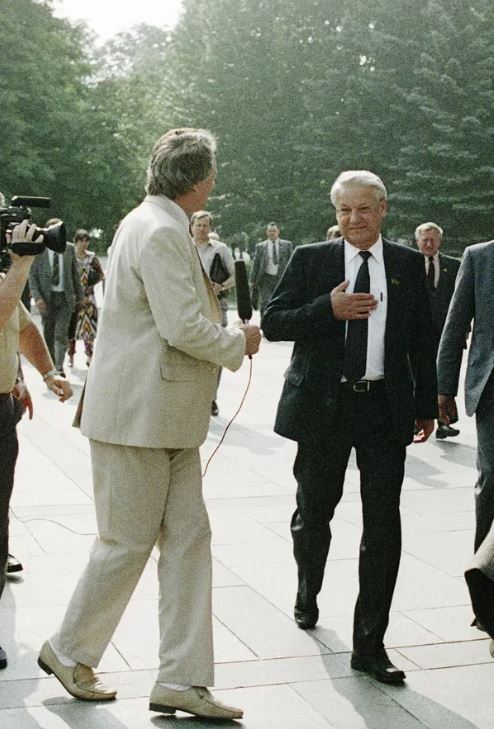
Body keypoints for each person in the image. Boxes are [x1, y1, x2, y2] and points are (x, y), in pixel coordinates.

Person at [37, 128, 261, 720]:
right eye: (212, 171)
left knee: (188, 541)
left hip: (160, 417)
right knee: (127, 542)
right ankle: (69, 650)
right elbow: (181, 326)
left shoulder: (149, 222)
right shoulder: (161, 230)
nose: (214, 180)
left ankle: (182, 679)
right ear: (199, 179)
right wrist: (237, 342)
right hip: (138, 417)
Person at [262, 170, 437, 685]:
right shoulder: (311, 259)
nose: (354, 219)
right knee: (314, 512)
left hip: (383, 407)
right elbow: (274, 321)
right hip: (325, 406)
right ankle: (307, 588)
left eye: (363, 209)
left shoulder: (406, 264)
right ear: (335, 213)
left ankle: (370, 644)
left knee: (383, 524)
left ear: (383, 209)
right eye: (344, 210)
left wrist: (425, 404)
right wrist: (328, 309)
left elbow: (421, 339)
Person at [0, 219, 72, 670]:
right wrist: (22, 265)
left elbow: (22, 328)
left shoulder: (4, 279)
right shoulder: (10, 277)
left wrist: (44, 372)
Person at [437, 238, 494, 554]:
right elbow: (455, 325)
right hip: (492, 389)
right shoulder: (480, 257)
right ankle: (485, 570)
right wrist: (444, 388)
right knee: (492, 478)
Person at [414, 222, 461, 439]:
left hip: (445, 333)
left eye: (433, 240)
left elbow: (462, 300)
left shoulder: (453, 266)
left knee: (444, 378)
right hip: (417, 334)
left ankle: (444, 422)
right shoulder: (408, 263)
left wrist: (462, 330)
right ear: (417, 241)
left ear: (440, 241)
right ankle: (416, 419)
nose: (428, 244)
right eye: (424, 240)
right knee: (417, 377)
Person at [191, 211, 235, 416]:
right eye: (198, 225)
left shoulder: (220, 249)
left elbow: (236, 275)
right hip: (191, 306)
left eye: (205, 225)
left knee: (216, 351)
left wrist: (222, 286)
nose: (201, 229)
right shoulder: (184, 246)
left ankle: (211, 397)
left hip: (216, 305)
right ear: (191, 226)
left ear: (210, 228)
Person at [29, 220, 83, 376]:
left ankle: (59, 367)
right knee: (48, 334)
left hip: (65, 298)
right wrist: (37, 298)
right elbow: (32, 275)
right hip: (46, 299)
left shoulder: (69, 249)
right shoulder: (40, 250)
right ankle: (51, 366)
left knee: (61, 333)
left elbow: (75, 274)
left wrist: (80, 297)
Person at [67, 229, 104, 367]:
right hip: (74, 297)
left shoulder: (91, 257)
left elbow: (101, 274)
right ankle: (71, 355)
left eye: (86, 240)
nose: (84, 243)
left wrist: (91, 284)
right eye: (81, 240)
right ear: (76, 241)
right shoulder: (70, 256)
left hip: (88, 297)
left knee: (89, 327)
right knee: (72, 326)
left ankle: (89, 355)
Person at [250, 222, 293, 315]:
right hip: (266, 279)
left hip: (281, 279)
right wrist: (252, 280)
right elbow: (256, 263)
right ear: (267, 232)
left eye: (274, 231)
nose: (272, 233)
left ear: (278, 232)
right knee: (266, 302)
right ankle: (264, 321)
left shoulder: (287, 245)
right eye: (270, 231)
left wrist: (293, 278)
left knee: (280, 301)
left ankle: (278, 320)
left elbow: (291, 262)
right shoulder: (260, 246)